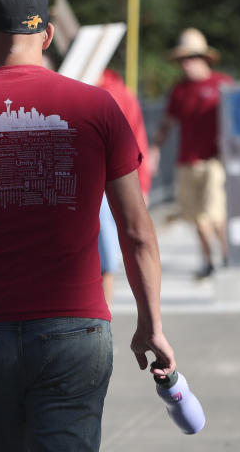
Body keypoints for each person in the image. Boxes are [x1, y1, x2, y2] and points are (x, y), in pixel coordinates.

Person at [0, 0, 175, 451]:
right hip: (76, 326)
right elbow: (137, 232)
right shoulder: (97, 106)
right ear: (47, 36)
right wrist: (151, 324)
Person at [150, 28, 232, 279]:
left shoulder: (222, 84)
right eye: (183, 60)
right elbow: (167, 122)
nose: (186, 65)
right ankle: (208, 260)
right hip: (187, 160)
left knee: (213, 214)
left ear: (204, 59)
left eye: (191, 58)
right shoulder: (180, 90)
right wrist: (154, 149)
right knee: (196, 217)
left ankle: (227, 256)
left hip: (213, 160)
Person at [96, 68, 152, 307]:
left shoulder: (116, 94)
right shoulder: (118, 93)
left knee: (106, 255)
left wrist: (143, 185)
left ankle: (103, 319)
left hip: (106, 185)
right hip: (102, 184)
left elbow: (135, 140)